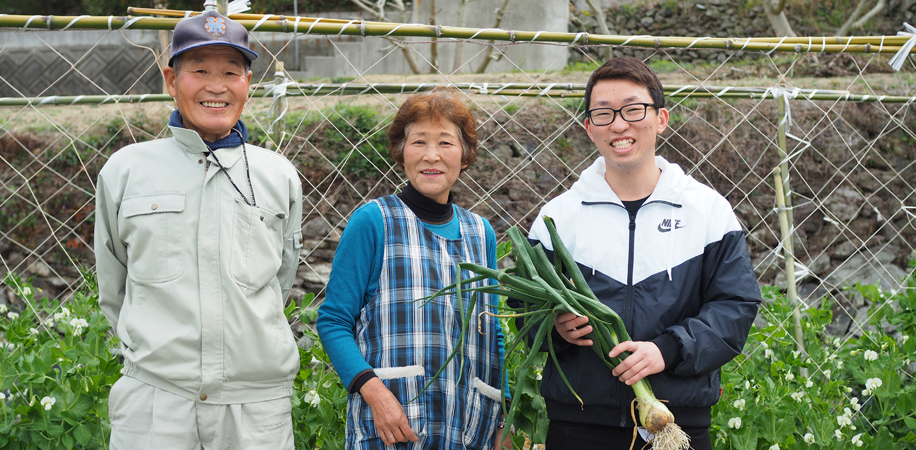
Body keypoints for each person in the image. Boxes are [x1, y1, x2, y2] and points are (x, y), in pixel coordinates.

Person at [525, 57, 761, 449]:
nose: (619, 125)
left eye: (633, 110)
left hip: (674, 426)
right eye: (603, 114)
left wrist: (667, 350)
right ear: (589, 128)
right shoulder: (558, 218)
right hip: (578, 425)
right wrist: (556, 328)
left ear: (661, 118)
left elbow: (735, 305)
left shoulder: (707, 211)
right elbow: (525, 310)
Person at [94, 9, 302, 450]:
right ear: (171, 81)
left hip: (255, 408)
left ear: (247, 83)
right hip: (155, 403)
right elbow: (113, 285)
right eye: (199, 70)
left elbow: (281, 278)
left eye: (231, 71)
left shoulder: (277, 175)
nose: (216, 85)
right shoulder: (125, 171)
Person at [317, 89, 510, 450]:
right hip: (393, 425)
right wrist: (375, 394)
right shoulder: (375, 222)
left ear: (465, 155)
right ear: (401, 152)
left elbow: (492, 331)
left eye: (445, 143)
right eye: (418, 141)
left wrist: (504, 414)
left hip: (471, 426)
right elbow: (333, 321)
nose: (431, 155)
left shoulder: (480, 233)